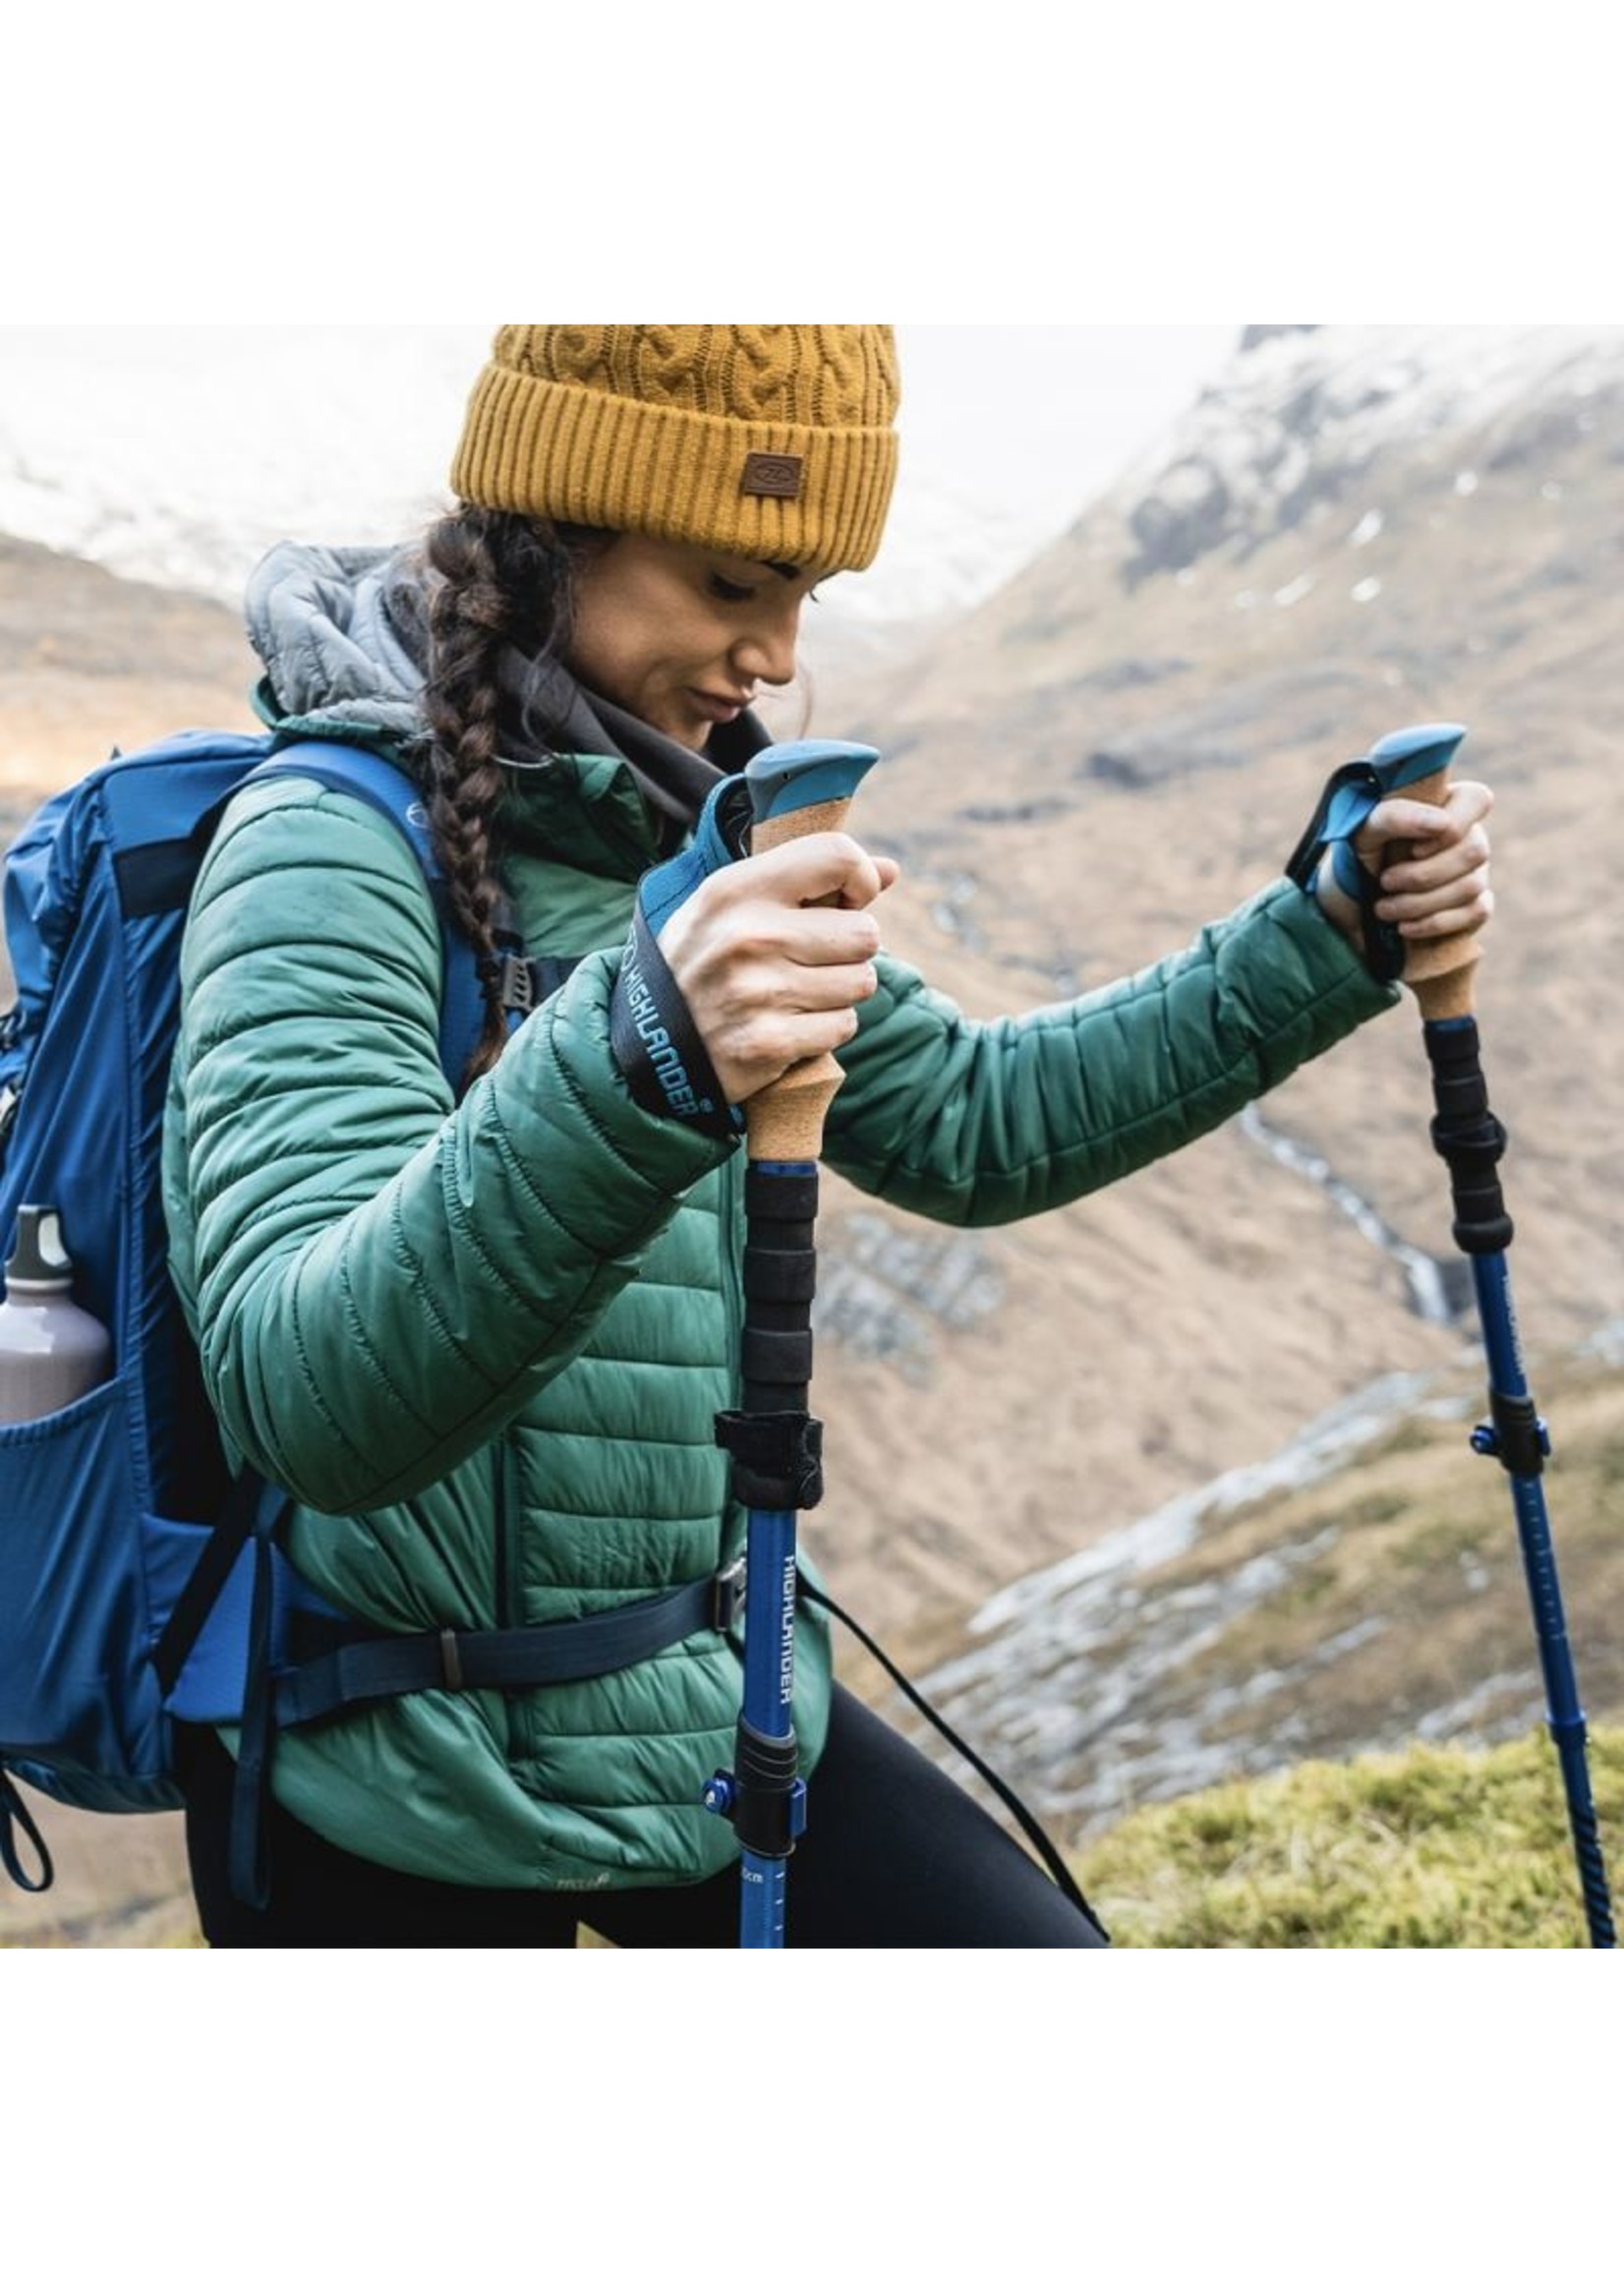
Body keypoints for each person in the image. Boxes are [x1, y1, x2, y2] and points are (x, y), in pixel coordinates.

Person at [160, 325, 1494, 1949]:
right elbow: (313, 1400)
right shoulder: (319, 851)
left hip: (702, 1696)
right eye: (734, 583)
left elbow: (978, 1122)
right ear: (551, 534)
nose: (778, 658)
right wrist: (640, 1056)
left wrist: (1329, 933)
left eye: (808, 596)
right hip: (374, 1758)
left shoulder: (683, 833)